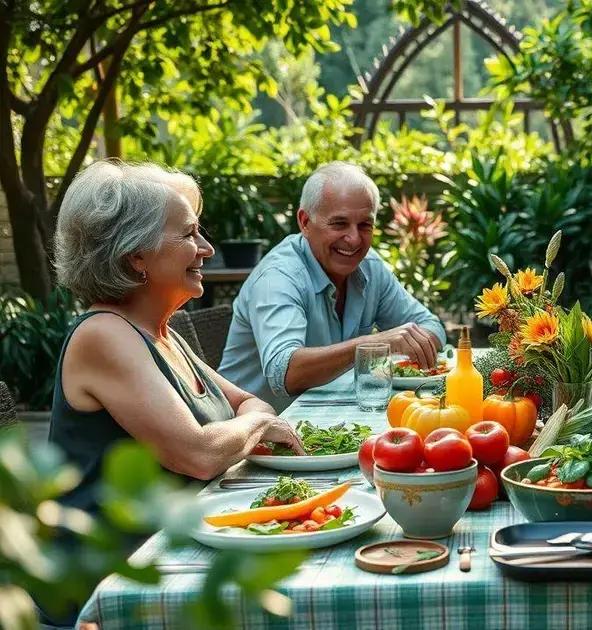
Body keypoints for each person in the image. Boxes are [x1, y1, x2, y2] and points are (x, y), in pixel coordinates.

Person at [45, 161, 306, 625]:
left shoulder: (159, 333)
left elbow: (249, 402)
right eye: (188, 235)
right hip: (114, 587)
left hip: (176, 555)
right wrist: (258, 425)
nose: (205, 248)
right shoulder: (105, 334)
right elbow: (200, 454)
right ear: (135, 256)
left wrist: (251, 420)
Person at [219, 162, 446, 411]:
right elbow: (284, 373)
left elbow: (431, 326)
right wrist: (374, 345)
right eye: (339, 224)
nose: (354, 239)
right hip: (251, 433)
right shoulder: (279, 277)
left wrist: (409, 342)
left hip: (324, 418)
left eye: (364, 225)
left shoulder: (370, 267)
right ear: (305, 222)